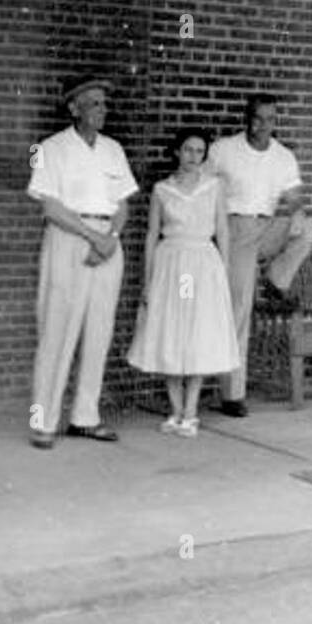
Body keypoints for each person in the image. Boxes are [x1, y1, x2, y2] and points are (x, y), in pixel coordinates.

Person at [26, 75, 138, 449]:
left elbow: (122, 204)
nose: (101, 111)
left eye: (104, 104)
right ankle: (44, 420)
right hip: (70, 241)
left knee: (99, 331)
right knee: (57, 330)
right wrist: (94, 238)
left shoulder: (113, 149)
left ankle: (85, 417)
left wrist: (111, 239)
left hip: (108, 242)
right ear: (73, 108)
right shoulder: (51, 148)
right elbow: (50, 206)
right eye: (93, 104)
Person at [206, 94, 312, 416]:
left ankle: (276, 279)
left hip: (266, 226)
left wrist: (296, 214)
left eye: (271, 119)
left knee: (307, 228)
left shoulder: (284, 157)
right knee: (239, 311)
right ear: (247, 118)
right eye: (258, 118)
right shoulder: (223, 149)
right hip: (235, 230)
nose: (264, 125)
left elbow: (294, 198)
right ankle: (232, 395)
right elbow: (205, 191)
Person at [128, 127, 241, 436]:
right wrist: (147, 280)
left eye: (199, 152)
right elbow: (152, 235)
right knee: (173, 330)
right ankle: (175, 409)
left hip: (201, 265)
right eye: (188, 150)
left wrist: (224, 271)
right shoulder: (163, 189)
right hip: (171, 264)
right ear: (177, 151)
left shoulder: (214, 187)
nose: (194, 157)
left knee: (196, 331)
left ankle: (191, 411)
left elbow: (223, 230)